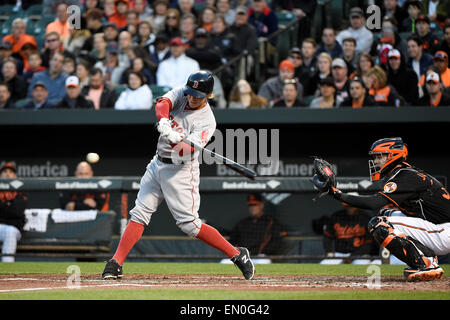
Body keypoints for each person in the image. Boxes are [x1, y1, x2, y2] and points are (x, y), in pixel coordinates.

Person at [101, 70, 255, 281]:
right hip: (157, 164)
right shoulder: (183, 92)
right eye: (190, 93)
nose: (191, 98)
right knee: (139, 213)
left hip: (181, 170)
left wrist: (174, 137)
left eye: (197, 96)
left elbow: (183, 151)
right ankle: (115, 262)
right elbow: (162, 103)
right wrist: (165, 122)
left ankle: (237, 255)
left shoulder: (207, 121)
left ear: (208, 96)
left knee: (190, 225)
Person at [311, 137, 450, 281]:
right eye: (375, 157)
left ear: (393, 155)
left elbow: (374, 202)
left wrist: (337, 194)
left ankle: (426, 263)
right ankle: (426, 257)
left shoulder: (406, 176)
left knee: (379, 223)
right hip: (436, 227)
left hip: (443, 232)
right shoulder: (404, 173)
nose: (376, 161)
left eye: (379, 156)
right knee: (386, 213)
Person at [0, 162, 27, 262]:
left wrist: (3, 206)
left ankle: (7, 269)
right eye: (5, 171)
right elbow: (12, 210)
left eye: (11, 172)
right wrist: (9, 205)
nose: (7, 174)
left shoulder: (20, 190)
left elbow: (17, 211)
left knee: (10, 231)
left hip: (13, 228)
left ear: (15, 176)